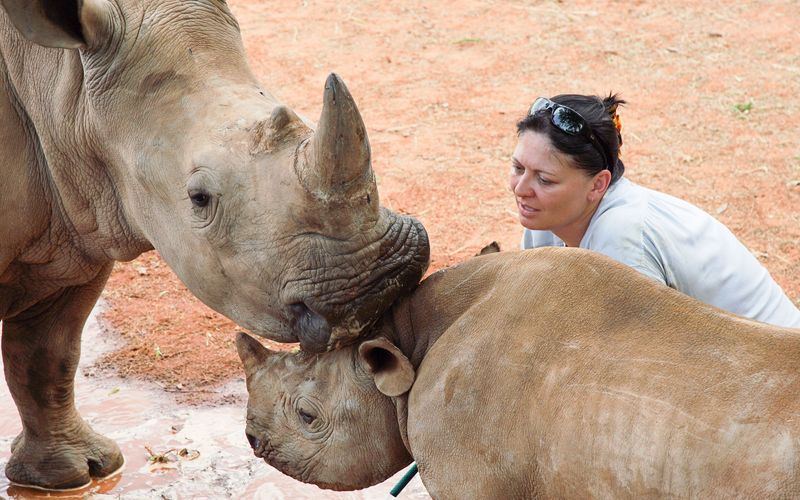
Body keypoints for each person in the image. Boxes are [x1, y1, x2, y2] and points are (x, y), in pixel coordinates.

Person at [509, 93, 800, 328]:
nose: (521, 189)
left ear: (598, 185)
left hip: (778, 375)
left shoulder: (622, 237)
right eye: (518, 168)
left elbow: (633, 361)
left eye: (545, 179)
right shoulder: (545, 221)